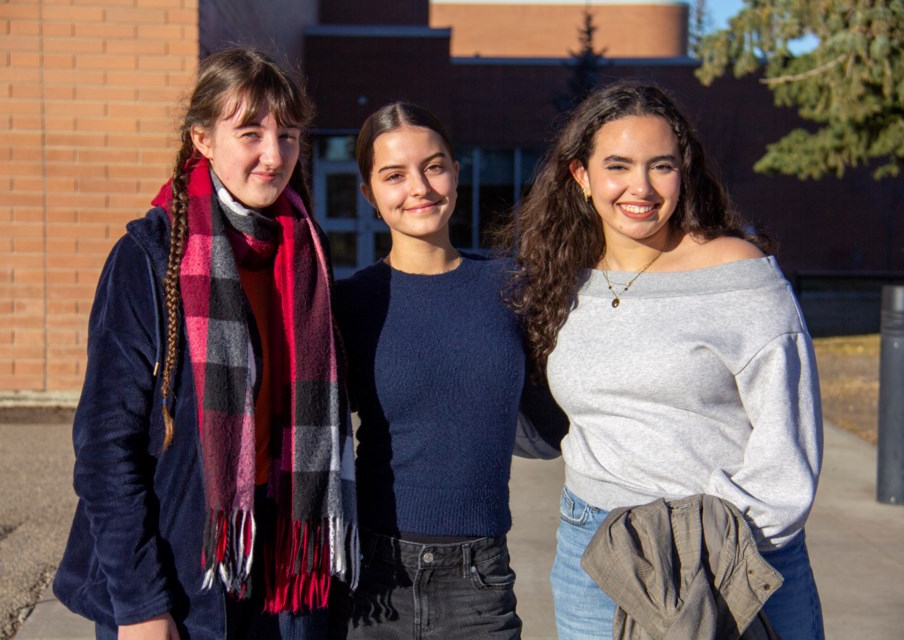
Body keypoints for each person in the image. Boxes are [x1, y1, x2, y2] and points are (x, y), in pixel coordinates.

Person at [53, 48, 358, 640]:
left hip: (286, 570)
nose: (275, 156)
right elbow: (104, 449)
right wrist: (141, 604)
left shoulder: (307, 256)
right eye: (251, 133)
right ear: (203, 139)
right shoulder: (149, 259)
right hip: (177, 573)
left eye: (289, 135)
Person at [503, 80, 824, 639]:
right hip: (596, 556)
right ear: (581, 176)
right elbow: (546, 416)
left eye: (661, 166)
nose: (641, 187)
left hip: (734, 550)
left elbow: (787, 444)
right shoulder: (562, 278)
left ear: (685, 171)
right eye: (619, 166)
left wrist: (723, 548)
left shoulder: (736, 272)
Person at [329, 102, 534, 639]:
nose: (419, 187)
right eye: (394, 175)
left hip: (480, 582)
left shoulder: (512, 288)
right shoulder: (348, 303)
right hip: (372, 576)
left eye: (434, 166)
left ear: (456, 172)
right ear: (370, 193)